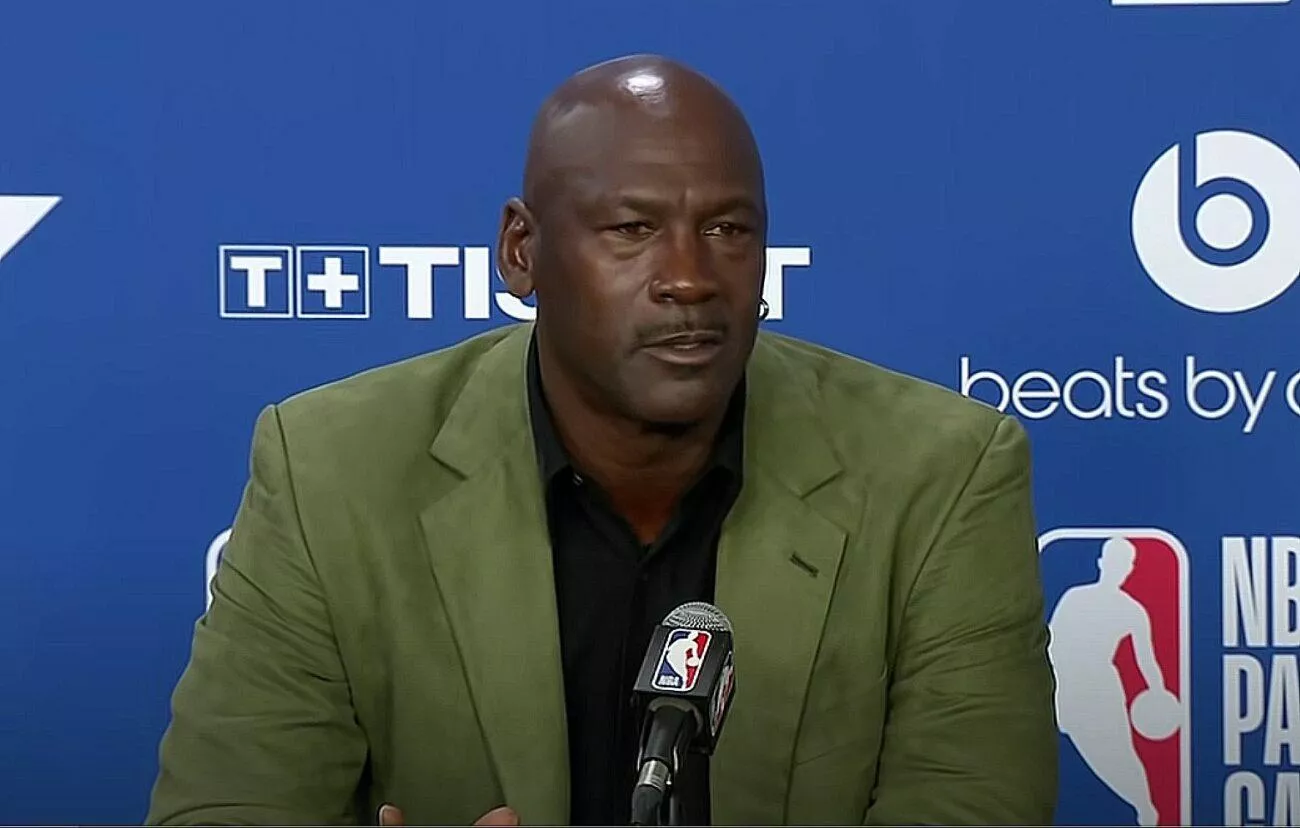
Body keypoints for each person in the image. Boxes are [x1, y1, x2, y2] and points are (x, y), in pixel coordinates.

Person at [146, 54, 1058, 826]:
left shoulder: (939, 476)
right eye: (633, 230)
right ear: (521, 251)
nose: (690, 278)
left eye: (727, 230)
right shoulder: (329, 471)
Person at [1049, 537, 1175, 827]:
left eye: (1126, 564)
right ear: (1102, 563)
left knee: (1117, 756)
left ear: (1129, 569)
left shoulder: (1132, 611)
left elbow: (1146, 660)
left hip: (1099, 687)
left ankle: (1145, 808)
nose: (1121, 569)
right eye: (1116, 562)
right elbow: (1050, 639)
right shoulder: (1075, 597)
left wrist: (1157, 691)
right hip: (1061, 680)